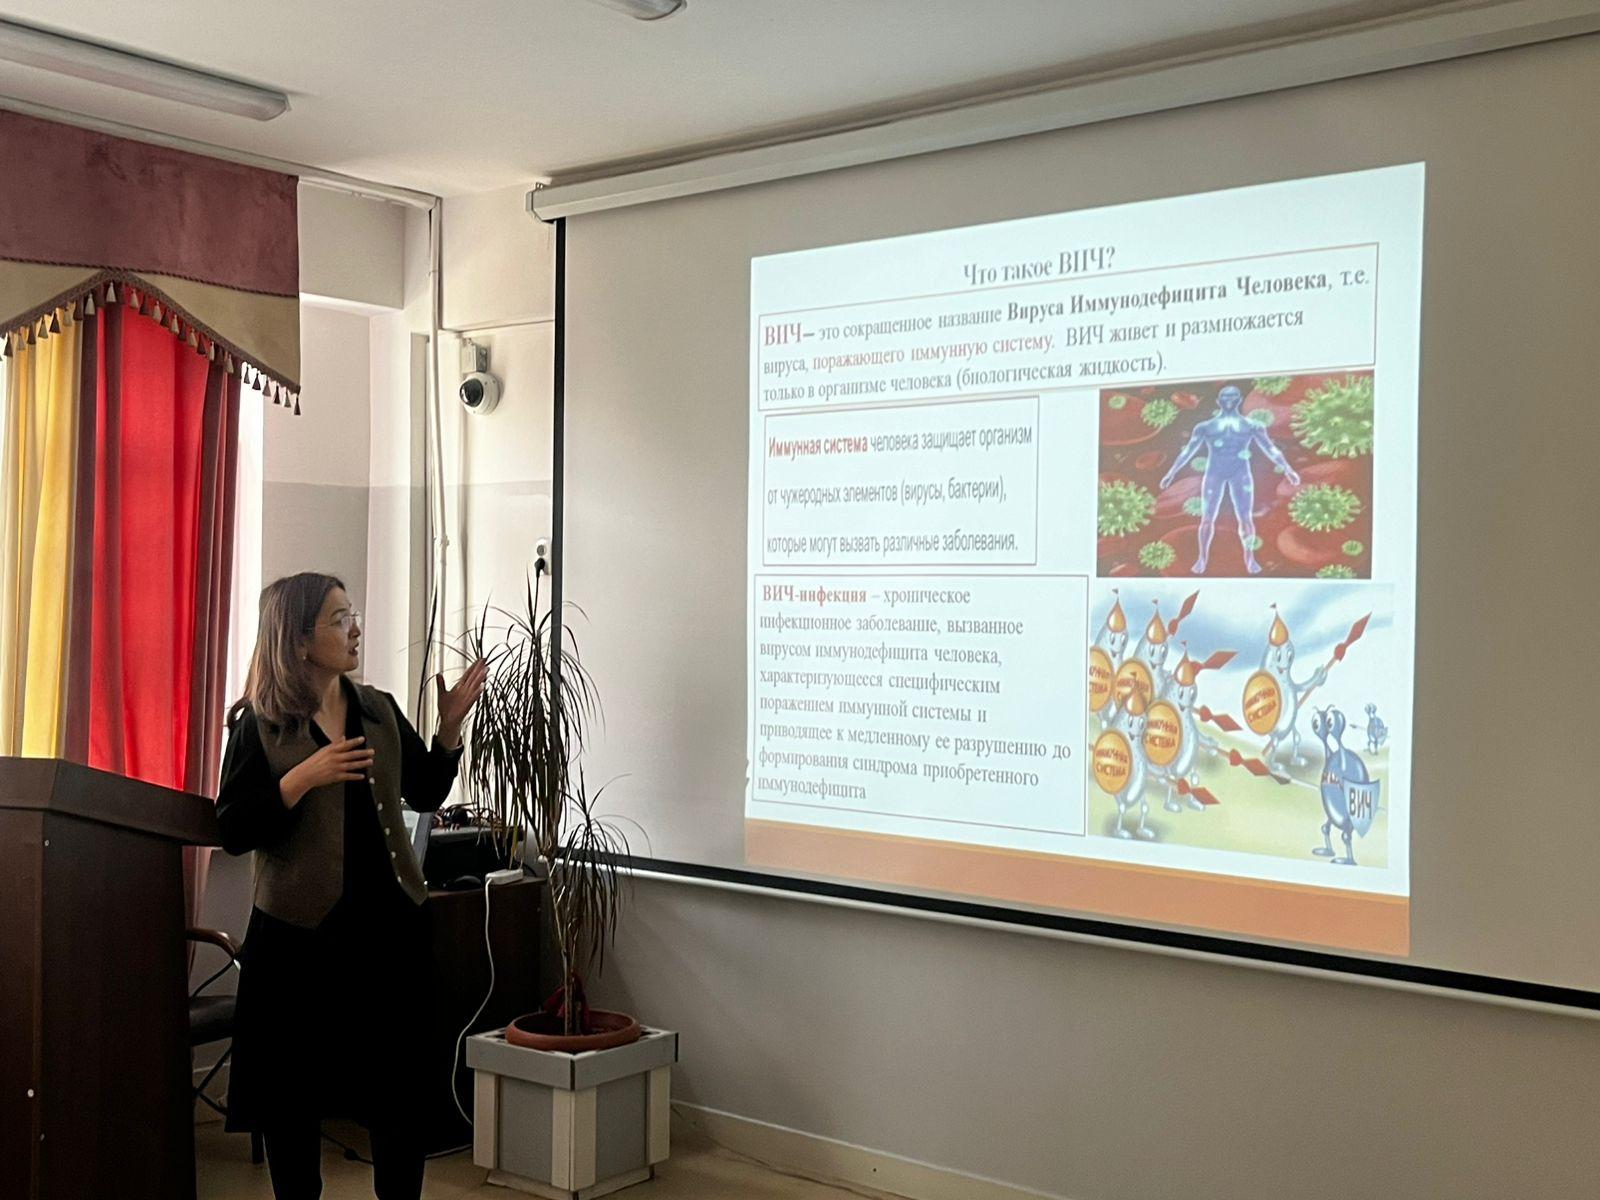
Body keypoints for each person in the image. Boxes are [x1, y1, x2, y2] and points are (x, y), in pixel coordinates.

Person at [216, 572, 486, 1200]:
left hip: (388, 937)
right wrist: (300, 779)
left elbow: (425, 790)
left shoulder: (378, 710)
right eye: (339, 620)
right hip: (297, 946)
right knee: (292, 1108)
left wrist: (448, 731)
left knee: (400, 1103)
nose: (356, 629)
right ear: (299, 640)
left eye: (353, 614)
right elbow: (232, 828)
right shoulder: (260, 725)